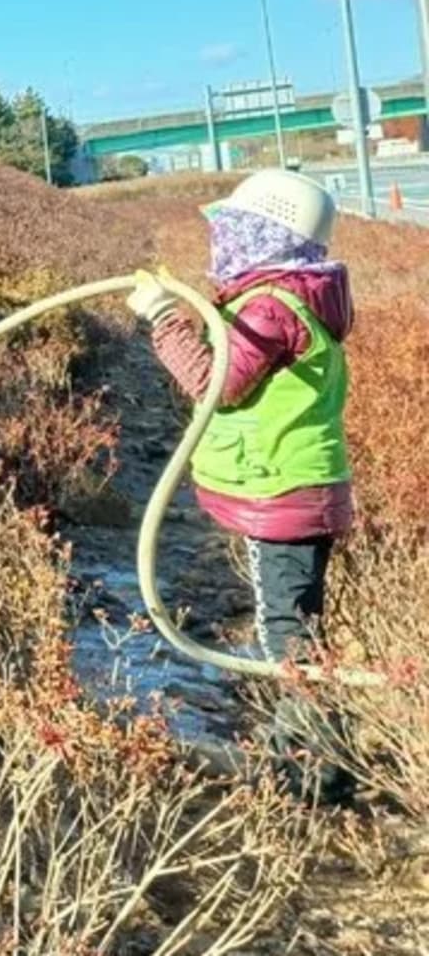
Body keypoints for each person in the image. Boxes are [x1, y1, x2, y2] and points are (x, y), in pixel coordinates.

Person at [124, 168, 356, 803]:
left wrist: (167, 320)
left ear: (263, 235)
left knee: (291, 640)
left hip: (285, 492)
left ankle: (314, 774)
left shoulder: (274, 308)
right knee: (291, 630)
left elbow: (216, 382)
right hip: (287, 490)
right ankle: (308, 758)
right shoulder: (284, 296)